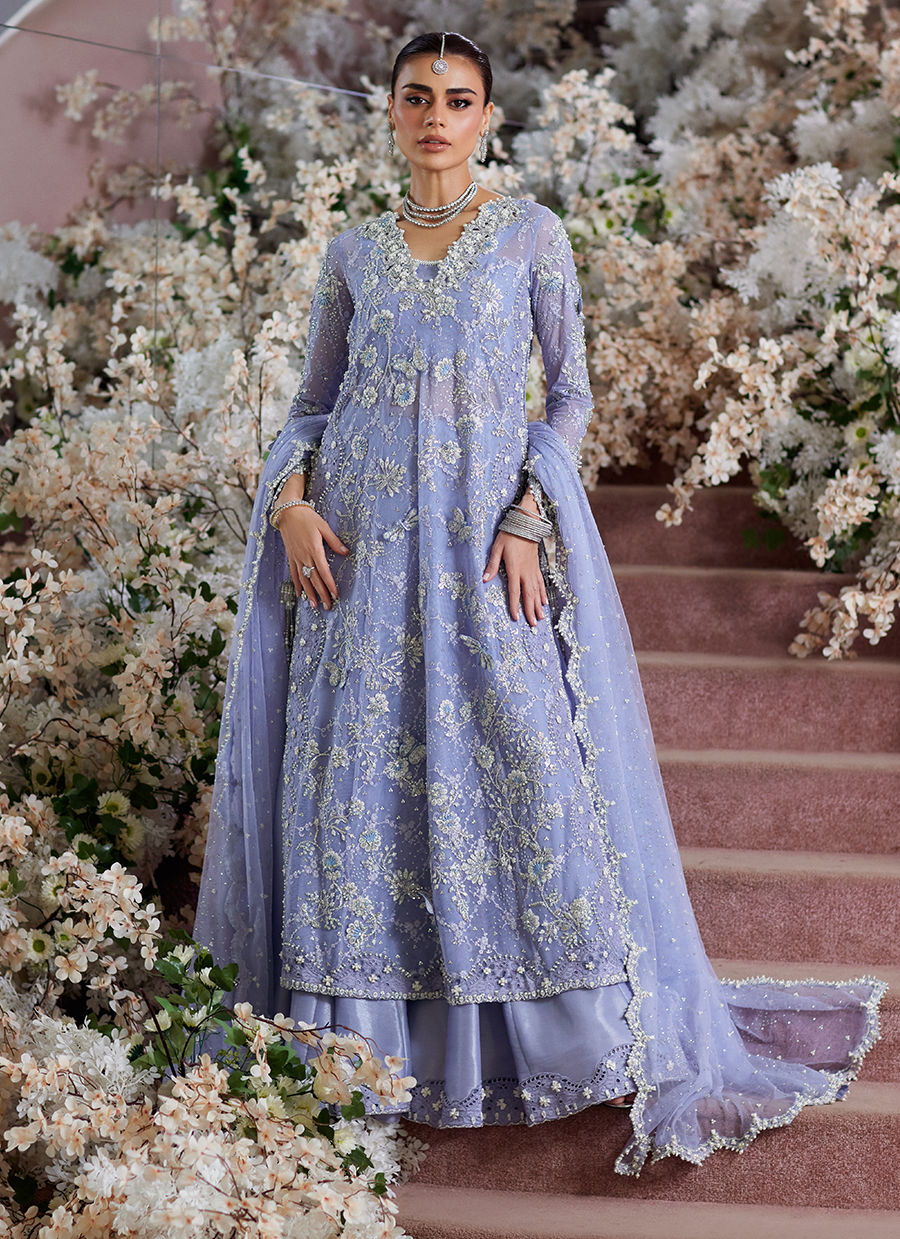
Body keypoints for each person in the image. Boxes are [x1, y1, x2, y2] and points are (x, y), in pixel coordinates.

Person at [194, 31, 886, 1175]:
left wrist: (527, 518)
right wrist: (292, 505)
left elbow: (570, 395)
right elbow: (312, 405)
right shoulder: (354, 252)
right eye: (418, 96)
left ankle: (552, 1036)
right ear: (391, 111)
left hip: (480, 557)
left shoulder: (529, 235)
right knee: (362, 791)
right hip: (358, 571)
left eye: (459, 99)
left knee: (517, 766)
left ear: (487, 119)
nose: (436, 115)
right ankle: (358, 1052)